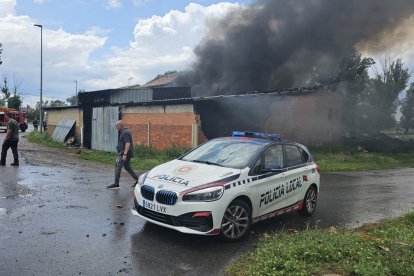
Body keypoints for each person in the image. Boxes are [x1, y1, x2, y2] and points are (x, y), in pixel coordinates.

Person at [107, 120, 138, 189]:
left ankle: (116, 183)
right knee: (127, 167)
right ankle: (138, 180)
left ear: (120, 125)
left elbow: (128, 143)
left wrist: (124, 154)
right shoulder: (125, 132)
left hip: (123, 153)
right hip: (125, 153)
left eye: (117, 126)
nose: (116, 127)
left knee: (117, 167)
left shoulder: (125, 133)